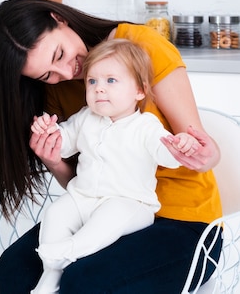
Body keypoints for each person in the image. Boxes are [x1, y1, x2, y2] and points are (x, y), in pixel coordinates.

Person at [0, 0, 222, 293]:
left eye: (59, 55)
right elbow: (86, 176)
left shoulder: (141, 46)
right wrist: (53, 159)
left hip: (183, 221)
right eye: (48, 75)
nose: (68, 74)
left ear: (59, 19)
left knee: (85, 280)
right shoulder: (59, 89)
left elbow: (199, 148)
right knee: (14, 270)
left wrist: (205, 152)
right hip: (100, 208)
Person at [29, 39, 199, 294]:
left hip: (130, 204)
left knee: (109, 220)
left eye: (111, 81)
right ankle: (51, 272)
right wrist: (49, 131)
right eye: (92, 81)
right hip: (83, 198)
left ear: (139, 91)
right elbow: (63, 143)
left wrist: (180, 146)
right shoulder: (86, 117)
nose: (99, 89)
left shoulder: (146, 126)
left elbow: (166, 153)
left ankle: (69, 251)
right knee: (56, 213)